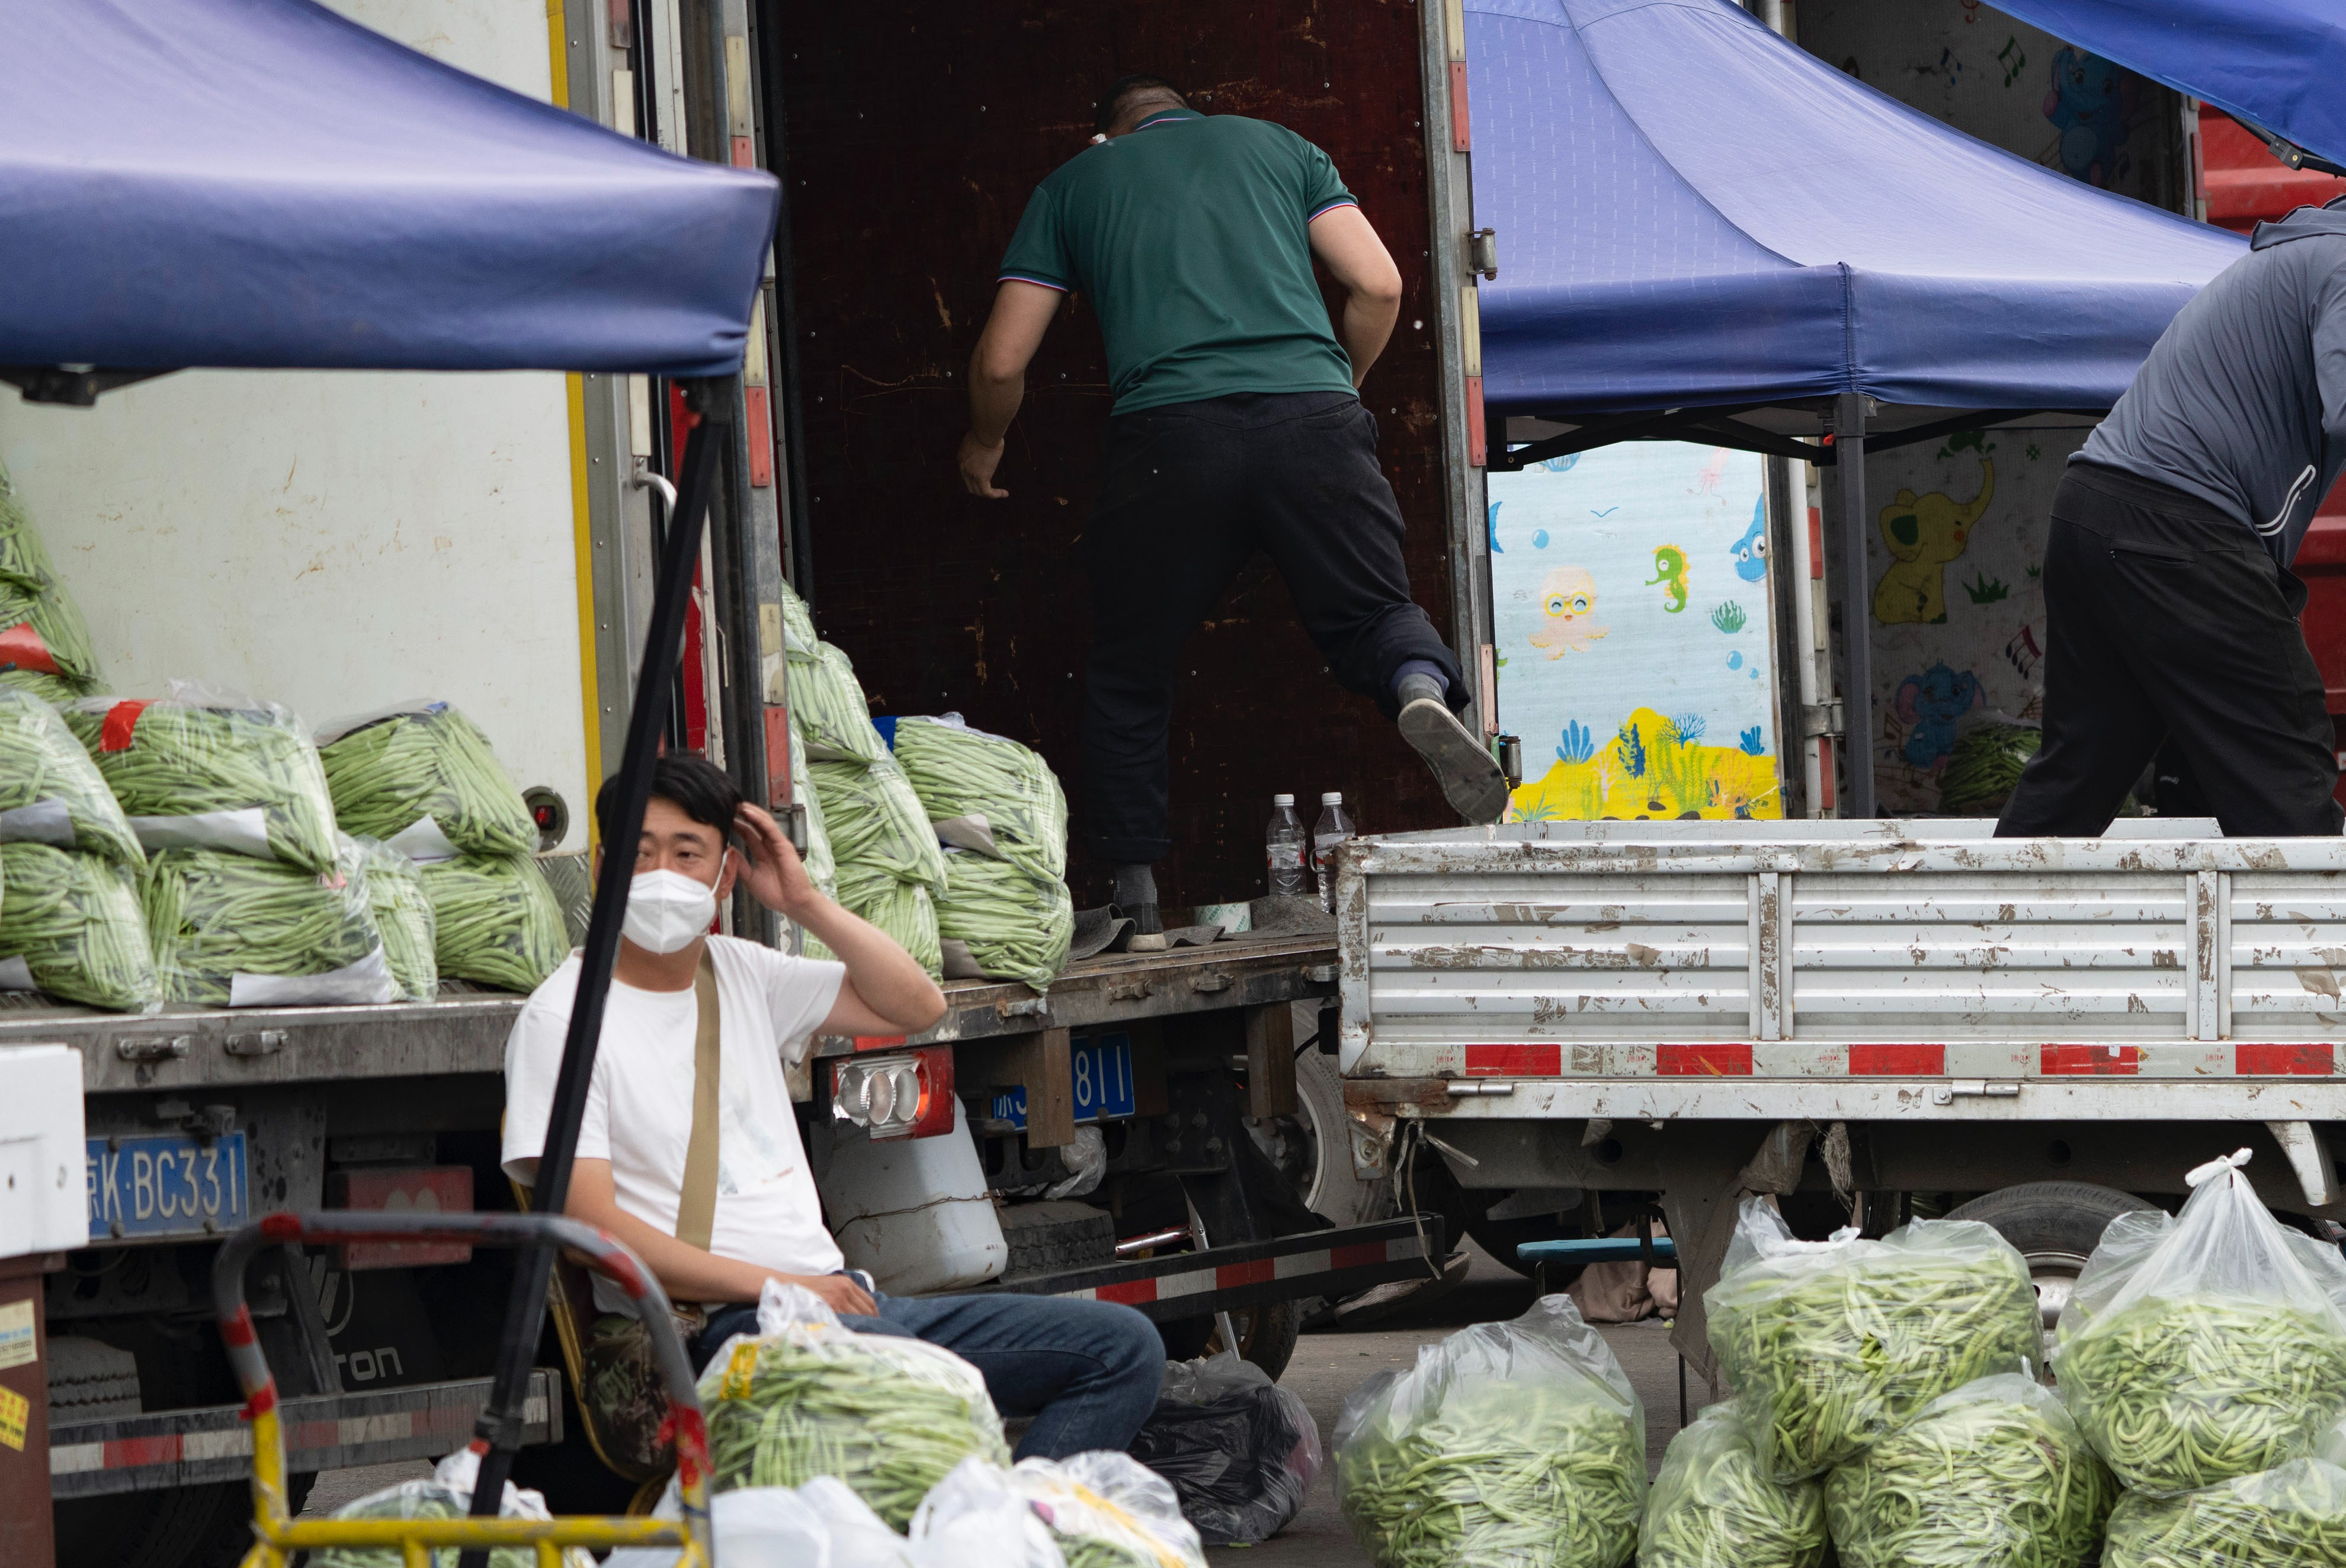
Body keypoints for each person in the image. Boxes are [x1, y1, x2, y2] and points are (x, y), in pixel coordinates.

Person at [957, 73, 1508, 932]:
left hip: (1169, 444)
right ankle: (1416, 685)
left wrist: (983, 443)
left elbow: (1001, 360)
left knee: (1130, 668)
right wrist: (1336, 390)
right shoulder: (1281, 147)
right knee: (1376, 610)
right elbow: (1381, 286)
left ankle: (1134, 893)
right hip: (1314, 421)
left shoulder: (1075, 184)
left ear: (1109, 135)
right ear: (1193, 113)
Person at [501, 754, 1164, 1458]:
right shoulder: (561, 1022)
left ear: (725, 875)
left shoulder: (739, 973)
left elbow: (917, 1004)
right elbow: (598, 1232)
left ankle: (1007, 1527)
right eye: (639, 854)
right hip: (712, 1331)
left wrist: (805, 902)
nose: (663, 875)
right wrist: (789, 1286)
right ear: (603, 869)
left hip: (836, 1304)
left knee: (1124, 1349)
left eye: (687, 853)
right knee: (931, 1400)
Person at [1997, 197, 2346, 838]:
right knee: (2284, 752)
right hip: (2175, 525)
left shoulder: (2306, 256)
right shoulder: (2343, 262)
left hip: (2095, 508)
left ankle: (1981, 934)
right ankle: (2318, 936)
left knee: (2082, 769)